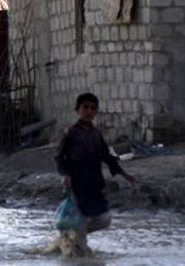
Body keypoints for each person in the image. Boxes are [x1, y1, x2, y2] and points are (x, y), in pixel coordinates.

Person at [51, 92, 138, 255]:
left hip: (94, 184)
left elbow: (107, 157)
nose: (89, 111)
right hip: (76, 184)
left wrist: (124, 174)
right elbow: (58, 156)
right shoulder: (71, 133)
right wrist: (65, 175)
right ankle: (80, 255)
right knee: (81, 219)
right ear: (77, 110)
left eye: (92, 108)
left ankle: (71, 237)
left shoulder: (96, 135)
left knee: (104, 219)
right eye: (85, 107)